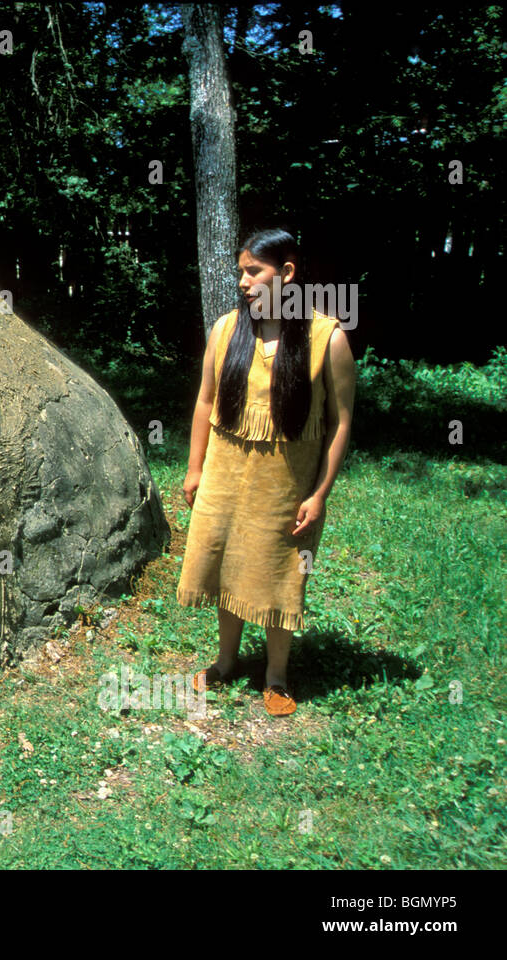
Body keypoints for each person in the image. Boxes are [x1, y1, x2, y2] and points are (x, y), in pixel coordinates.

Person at [176, 228, 356, 716]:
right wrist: (194, 468)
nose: (243, 281)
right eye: (241, 271)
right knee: (225, 562)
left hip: (286, 485)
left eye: (253, 271)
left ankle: (276, 677)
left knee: (280, 571)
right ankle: (225, 662)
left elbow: (340, 423)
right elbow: (205, 401)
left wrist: (319, 494)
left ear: (287, 273)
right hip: (225, 476)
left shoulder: (328, 339)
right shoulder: (226, 329)